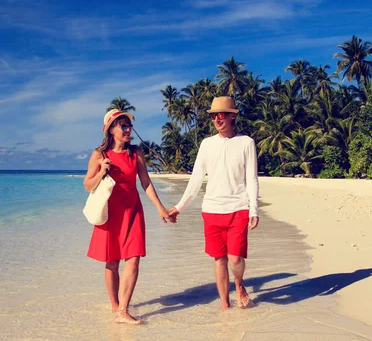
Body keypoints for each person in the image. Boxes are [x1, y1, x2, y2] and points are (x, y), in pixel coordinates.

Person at [84, 109, 174, 325]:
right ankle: (115, 306)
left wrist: (161, 208)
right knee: (112, 262)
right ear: (111, 129)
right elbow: (87, 185)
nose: (128, 129)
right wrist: (101, 172)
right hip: (110, 213)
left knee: (133, 259)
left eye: (129, 125)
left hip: (133, 211)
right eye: (123, 126)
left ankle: (123, 310)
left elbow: (145, 183)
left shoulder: (136, 153)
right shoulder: (100, 154)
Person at [168, 96, 259, 310]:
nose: (216, 119)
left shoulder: (246, 142)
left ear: (231, 116)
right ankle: (225, 307)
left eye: (221, 114)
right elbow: (196, 179)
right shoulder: (207, 144)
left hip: (239, 208)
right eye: (213, 115)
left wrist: (254, 209)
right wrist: (179, 207)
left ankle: (239, 284)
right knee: (219, 259)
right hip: (211, 210)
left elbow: (252, 179)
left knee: (235, 258)